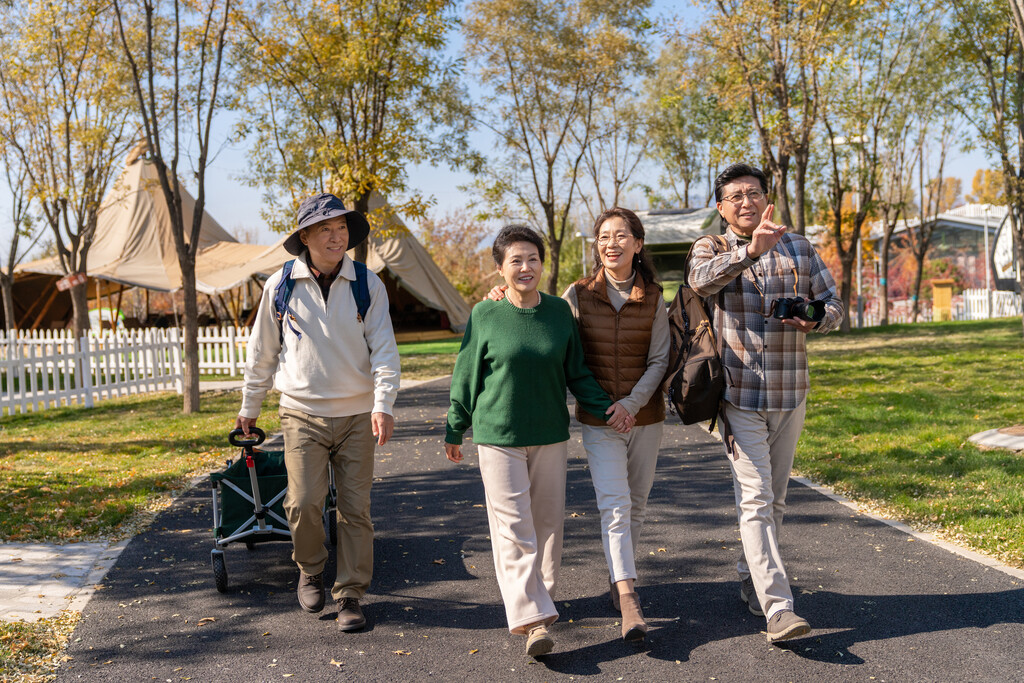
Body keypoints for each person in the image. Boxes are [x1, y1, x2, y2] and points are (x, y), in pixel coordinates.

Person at [444, 224, 632, 658]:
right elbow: (466, 373)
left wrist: (608, 408)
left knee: (548, 526)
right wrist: (456, 426)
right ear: (500, 268)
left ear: (543, 266)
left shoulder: (558, 313)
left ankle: (541, 604)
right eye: (515, 260)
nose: (525, 267)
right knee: (514, 529)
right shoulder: (484, 314)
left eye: (532, 259)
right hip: (498, 436)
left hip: (549, 433)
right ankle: (530, 619)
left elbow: (577, 371)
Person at [486, 208, 669, 642]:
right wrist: (502, 296)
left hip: (645, 416)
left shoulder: (657, 296)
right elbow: (541, 318)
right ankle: (628, 596)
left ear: (637, 244)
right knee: (615, 504)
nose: (612, 243)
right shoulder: (578, 294)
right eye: (603, 236)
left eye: (621, 235)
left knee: (636, 504)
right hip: (599, 418)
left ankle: (617, 575)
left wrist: (632, 403)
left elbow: (660, 358)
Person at [687, 163, 844, 643]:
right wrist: (750, 252)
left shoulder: (797, 245)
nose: (745, 202)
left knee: (774, 499)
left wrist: (813, 317)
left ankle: (750, 577)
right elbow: (700, 283)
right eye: (735, 196)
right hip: (738, 394)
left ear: (766, 198)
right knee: (755, 497)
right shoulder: (710, 246)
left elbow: (835, 306)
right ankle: (779, 608)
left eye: (753, 193)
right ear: (721, 207)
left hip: (790, 390)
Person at [235, 192, 400, 632]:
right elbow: (262, 354)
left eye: (341, 228)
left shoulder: (368, 283)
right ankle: (309, 568)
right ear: (304, 236)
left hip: (357, 415)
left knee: (354, 509)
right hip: (301, 413)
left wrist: (383, 404)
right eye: (325, 228)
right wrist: (249, 407)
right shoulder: (281, 285)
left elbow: (384, 350)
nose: (335, 236)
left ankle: (350, 594)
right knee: (304, 502)